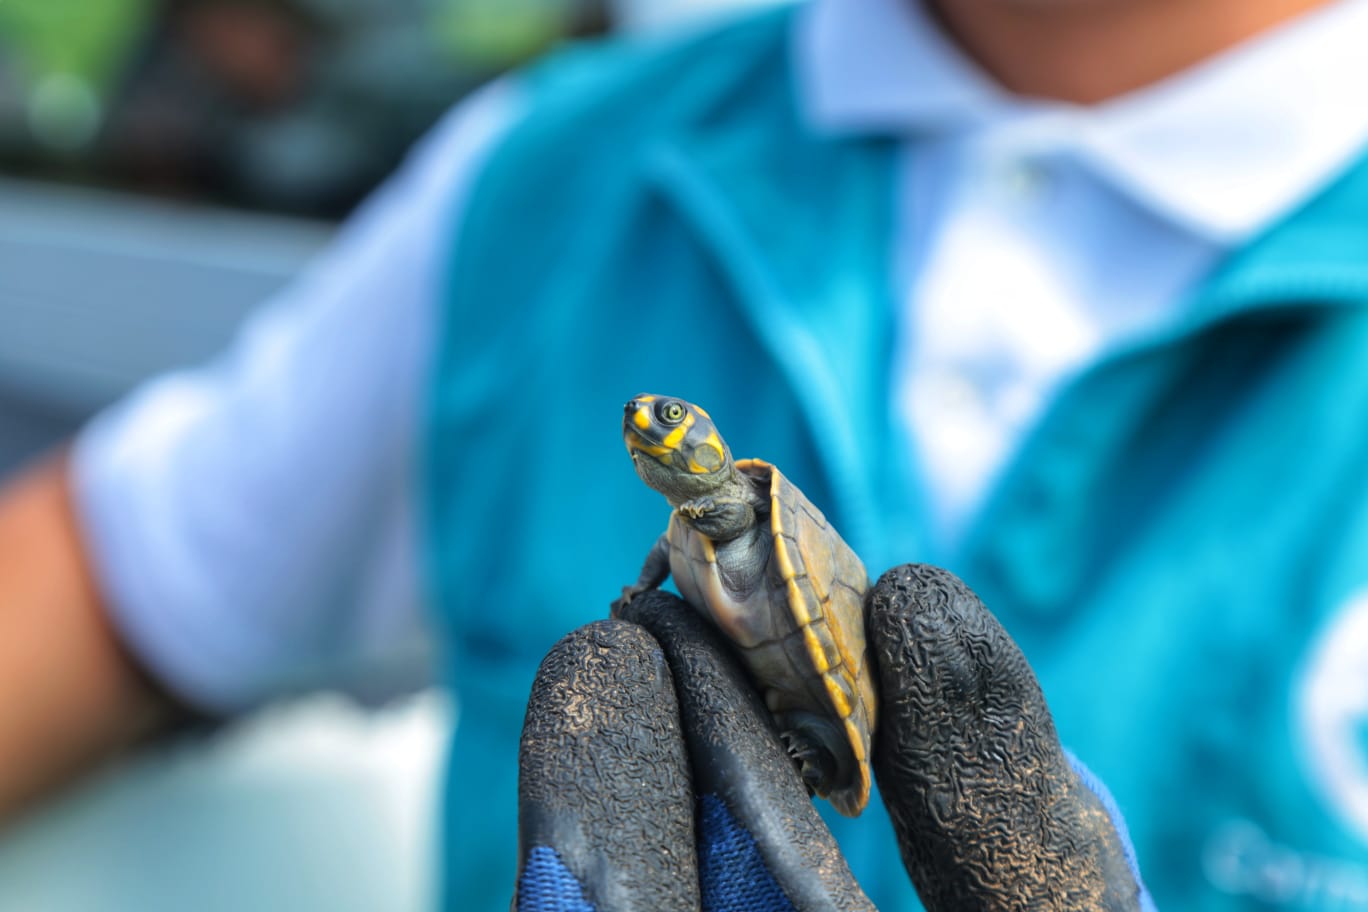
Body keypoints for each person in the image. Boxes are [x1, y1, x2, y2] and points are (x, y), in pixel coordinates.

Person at [3, 0, 1368, 907]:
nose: (655, 433)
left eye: (675, 428)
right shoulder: (548, 181)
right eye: (649, 429)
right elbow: (111, 586)